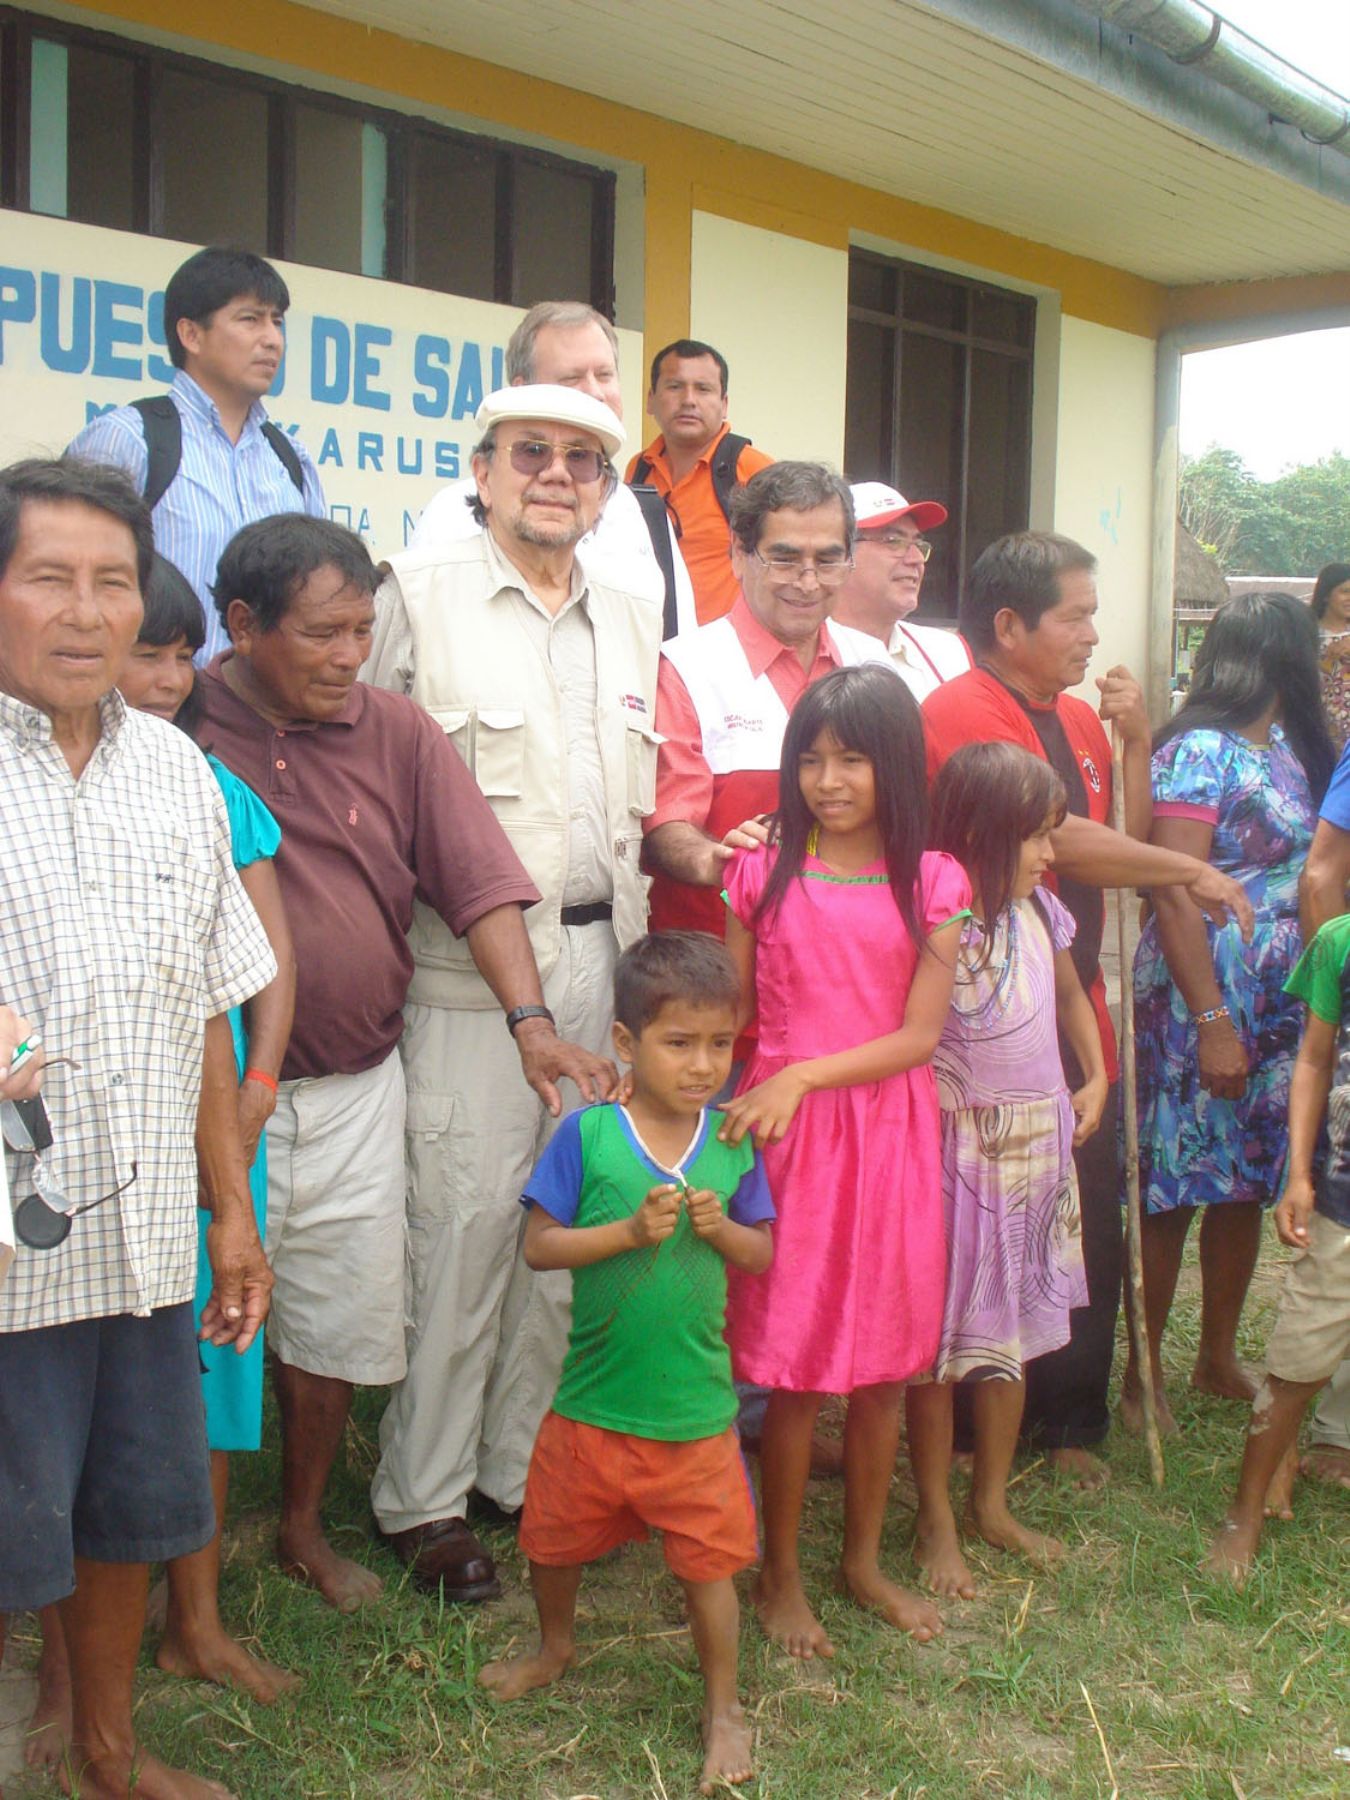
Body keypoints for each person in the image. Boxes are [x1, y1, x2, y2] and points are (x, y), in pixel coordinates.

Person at [199, 512, 608, 1613]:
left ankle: (300, 1529)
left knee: (336, 1317)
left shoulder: (396, 732)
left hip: (354, 1087)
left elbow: (477, 881)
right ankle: (174, 1556)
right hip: (205, 1094)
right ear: (240, 626)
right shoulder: (177, 720)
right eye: (322, 636)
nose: (349, 656)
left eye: (361, 632)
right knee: (197, 1323)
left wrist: (530, 1023)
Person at [0, 456, 276, 1800]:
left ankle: (106, 1753)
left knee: (123, 1513)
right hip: (1, 1255)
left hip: (142, 1238)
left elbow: (203, 1020)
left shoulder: (175, 770)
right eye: (48, 576)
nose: (84, 611)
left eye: (111, 582)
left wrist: (231, 1210)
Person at [363, 383, 657, 1600]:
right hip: (467, 979)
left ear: (607, 489)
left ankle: (513, 1472)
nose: (558, 474)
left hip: (602, 971)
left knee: (564, 1235)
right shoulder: (413, 598)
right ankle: (421, 1499)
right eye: (531, 453)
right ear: (478, 470)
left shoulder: (632, 616)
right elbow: (366, 795)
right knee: (470, 1227)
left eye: (585, 460)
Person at [923, 530, 1254, 1487]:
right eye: (1075, 614)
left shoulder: (1072, 716)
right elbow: (1058, 839)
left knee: (1081, 1208)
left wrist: (1140, 742)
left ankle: (1069, 1417)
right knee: (985, 1215)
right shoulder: (959, 711)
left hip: (1073, 998)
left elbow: (1122, 833)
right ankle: (961, 1423)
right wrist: (1188, 869)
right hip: (986, 1009)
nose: (1091, 631)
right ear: (1009, 624)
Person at [477, 932, 773, 1796]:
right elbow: (540, 1248)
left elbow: (761, 1256)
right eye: (679, 1043)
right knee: (553, 1539)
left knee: (711, 1568)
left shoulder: (733, 1140)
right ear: (624, 1042)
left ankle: (724, 1707)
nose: (703, 1065)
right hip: (592, 1405)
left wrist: (726, 1233)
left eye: (720, 1044)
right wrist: (625, 1234)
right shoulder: (589, 1136)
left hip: (695, 1415)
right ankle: (555, 1646)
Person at [718, 664, 969, 1658]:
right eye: (811, 758)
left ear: (895, 766)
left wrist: (804, 1077)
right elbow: (731, 1017)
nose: (827, 779)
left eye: (852, 758)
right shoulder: (758, 874)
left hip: (888, 1137)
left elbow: (918, 1037)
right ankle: (777, 1575)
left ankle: (861, 1560)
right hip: (786, 1147)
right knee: (794, 1371)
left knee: (884, 1370)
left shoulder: (935, 883)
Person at [1124, 593, 1334, 1434]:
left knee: (1243, 1180)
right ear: (1286, 658)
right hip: (1197, 993)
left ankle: (1214, 1355)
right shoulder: (1200, 752)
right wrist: (1211, 1020)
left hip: (1275, 1001)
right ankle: (1143, 1379)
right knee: (1175, 1186)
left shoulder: (1281, 747)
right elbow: (1171, 888)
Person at [907, 743, 1107, 1599]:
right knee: (939, 1348)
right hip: (959, 1155)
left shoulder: (1041, 913)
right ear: (985, 835)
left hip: (1036, 1147)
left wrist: (1094, 1073)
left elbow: (1068, 996)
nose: (1049, 854)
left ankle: (990, 1501)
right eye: (1035, 838)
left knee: (1012, 1339)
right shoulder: (935, 916)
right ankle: (934, 1517)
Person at [643, 462, 894, 939]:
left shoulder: (874, 663)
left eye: (827, 560)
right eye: (784, 558)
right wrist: (711, 860)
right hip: (717, 968)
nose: (807, 581)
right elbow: (665, 824)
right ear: (739, 554)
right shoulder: (684, 667)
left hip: (850, 957)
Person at [67, 245, 326, 664]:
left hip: (265, 715)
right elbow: (70, 580)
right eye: (250, 319)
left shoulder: (291, 459)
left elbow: (320, 588)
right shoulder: (130, 439)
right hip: (160, 704)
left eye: (277, 322)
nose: (272, 339)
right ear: (191, 334)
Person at [1203, 911, 1350, 1584]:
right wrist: (1297, 1173)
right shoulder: (1338, 942)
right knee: (1299, 1354)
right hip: (1343, 1201)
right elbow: (1315, 1058)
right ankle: (1246, 1508)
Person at [410, 300, 694, 632]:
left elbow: (677, 654)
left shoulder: (645, 515)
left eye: (604, 375)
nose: (595, 393)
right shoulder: (453, 516)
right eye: (571, 378)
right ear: (520, 390)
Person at [625, 339, 773, 625]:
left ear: (724, 403)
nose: (689, 400)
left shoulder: (752, 469)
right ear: (650, 400)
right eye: (674, 386)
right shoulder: (639, 469)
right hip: (654, 644)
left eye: (703, 389)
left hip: (727, 651)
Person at [830, 482, 971, 701]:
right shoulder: (810, 652)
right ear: (840, 553)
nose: (916, 559)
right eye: (893, 541)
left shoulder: (947, 651)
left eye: (918, 544)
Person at [1311, 562, 1350, 752]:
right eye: (1345, 591)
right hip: (1320, 736)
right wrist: (1325, 659)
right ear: (1326, 594)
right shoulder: (1308, 634)